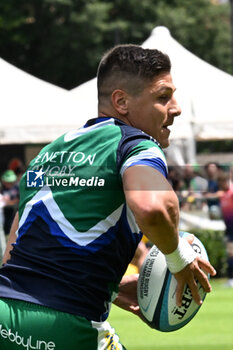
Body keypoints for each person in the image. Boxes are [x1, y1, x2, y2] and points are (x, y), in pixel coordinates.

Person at [0, 45, 216, 350]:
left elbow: (14, 255)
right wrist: (178, 259)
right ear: (122, 102)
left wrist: (108, 288)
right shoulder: (135, 144)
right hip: (66, 325)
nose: (176, 108)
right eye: (163, 97)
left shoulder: (49, 154)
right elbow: (151, 207)